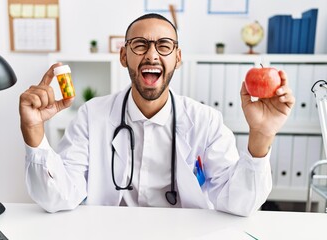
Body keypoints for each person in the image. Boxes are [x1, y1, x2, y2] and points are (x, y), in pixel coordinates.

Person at [19, 13, 295, 216]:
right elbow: (58, 198)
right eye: (140, 45)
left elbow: (239, 204)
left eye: (164, 46)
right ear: (124, 56)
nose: (152, 55)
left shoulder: (205, 121)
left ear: (178, 57)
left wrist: (261, 135)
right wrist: (34, 133)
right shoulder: (93, 116)